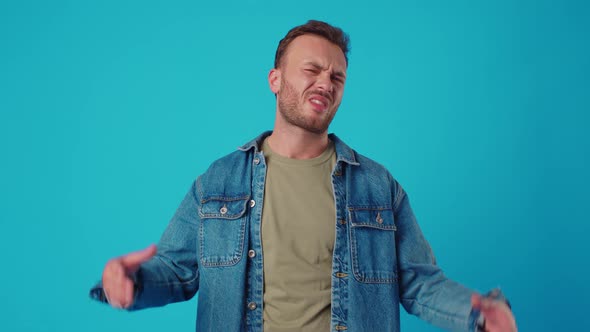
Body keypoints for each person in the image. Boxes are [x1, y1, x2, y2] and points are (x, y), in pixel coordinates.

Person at [90, 20, 517, 332]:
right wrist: (130, 283)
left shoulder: (377, 187)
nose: (325, 83)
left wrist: (475, 313)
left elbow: (418, 281)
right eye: (311, 70)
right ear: (275, 80)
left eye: (337, 77)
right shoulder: (219, 182)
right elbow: (179, 272)